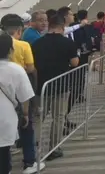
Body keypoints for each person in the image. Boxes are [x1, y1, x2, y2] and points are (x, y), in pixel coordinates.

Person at [31, 11, 80, 161]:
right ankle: (54, 148)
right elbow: (74, 63)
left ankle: (33, 149)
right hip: (61, 85)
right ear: (62, 26)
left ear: (50, 25)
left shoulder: (37, 43)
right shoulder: (67, 43)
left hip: (41, 86)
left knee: (38, 117)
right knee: (58, 117)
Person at [0, 32, 36, 174]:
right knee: (3, 151)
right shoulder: (16, 69)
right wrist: (26, 114)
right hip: (6, 117)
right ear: (10, 50)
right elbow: (25, 96)